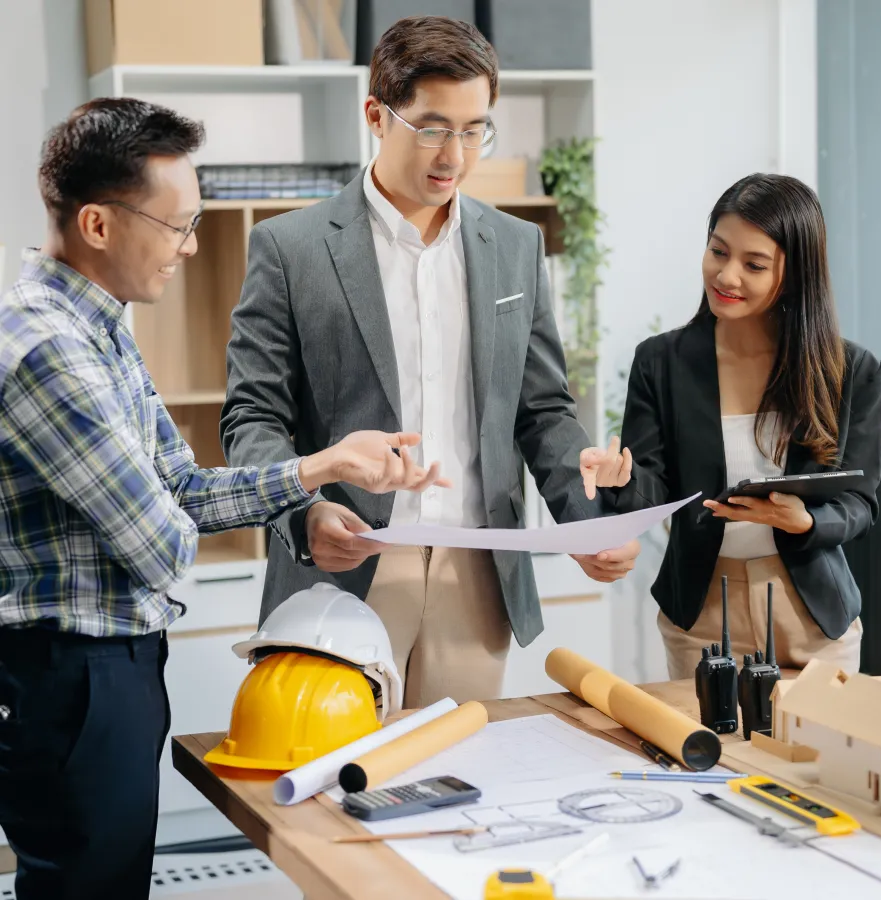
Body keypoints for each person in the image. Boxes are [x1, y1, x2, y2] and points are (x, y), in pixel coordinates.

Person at [0, 98, 449, 900]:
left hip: (110, 670)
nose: (192, 245)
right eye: (176, 225)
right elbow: (163, 545)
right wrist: (204, 503)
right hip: (71, 677)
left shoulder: (100, 332)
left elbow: (180, 491)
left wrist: (321, 466)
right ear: (100, 225)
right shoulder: (45, 348)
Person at [220, 15, 640, 709]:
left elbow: (541, 411)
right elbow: (251, 418)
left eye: (476, 128)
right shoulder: (288, 249)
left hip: (476, 576)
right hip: (344, 568)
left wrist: (588, 516)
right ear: (376, 116)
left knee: (454, 789)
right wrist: (304, 515)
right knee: (335, 797)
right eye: (434, 127)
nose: (456, 154)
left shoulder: (515, 246)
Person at [581, 173, 881, 679]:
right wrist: (621, 478)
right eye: (718, 252)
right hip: (702, 610)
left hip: (810, 614)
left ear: (795, 273)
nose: (727, 276)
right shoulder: (662, 362)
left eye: (754, 264)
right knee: (708, 756)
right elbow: (651, 490)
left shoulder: (851, 372)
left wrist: (806, 523)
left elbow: (859, 503)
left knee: (812, 756)